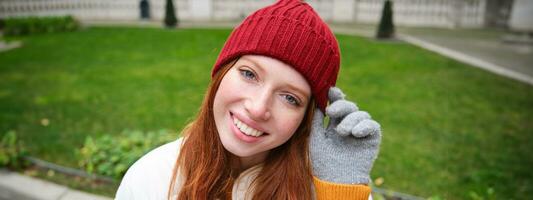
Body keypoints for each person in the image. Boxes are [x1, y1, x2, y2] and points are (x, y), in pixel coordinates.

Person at [116, 0, 381, 199]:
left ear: (309, 117)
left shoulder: (334, 187)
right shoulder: (150, 179)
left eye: (290, 98)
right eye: (249, 74)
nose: (257, 108)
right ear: (221, 74)